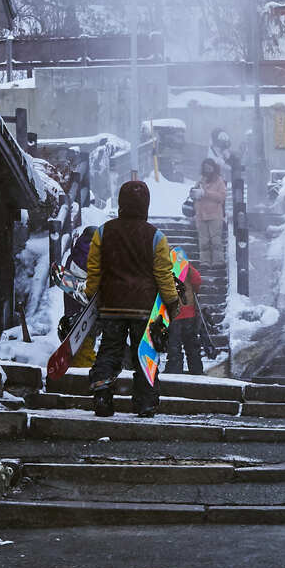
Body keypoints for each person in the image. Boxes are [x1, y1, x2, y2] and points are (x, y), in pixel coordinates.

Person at [84, 179, 179, 417]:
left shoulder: (104, 232)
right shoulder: (156, 237)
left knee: (110, 349)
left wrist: (91, 296)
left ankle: (103, 395)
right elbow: (163, 274)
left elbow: (94, 269)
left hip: (112, 304)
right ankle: (145, 402)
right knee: (145, 354)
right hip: (144, 307)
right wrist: (172, 301)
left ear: (120, 203)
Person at [166, 258, 203, 376]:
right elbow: (197, 280)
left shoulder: (164, 268)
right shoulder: (186, 267)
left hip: (173, 312)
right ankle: (196, 369)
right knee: (191, 342)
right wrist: (194, 291)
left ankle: (174, 369)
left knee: (174, 342)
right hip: (189, 311)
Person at [192, 157, 228, 275]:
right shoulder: (201, 180)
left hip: (214, 215)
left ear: (214, 168)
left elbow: (221, 197)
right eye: (205, 166)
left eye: (209, 166)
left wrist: (206, 193)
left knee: (215, 239)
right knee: (203, 240)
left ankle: (218, 261)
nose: (207, 169)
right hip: (201, 215)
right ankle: (205, 262)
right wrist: (194, 193)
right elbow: (194, 193)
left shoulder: (219, 181)